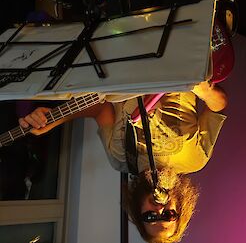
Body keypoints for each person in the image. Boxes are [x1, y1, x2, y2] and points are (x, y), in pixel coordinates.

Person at [18, 80, 227, 243]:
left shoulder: (120, 160)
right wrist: (206, 92)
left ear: (139, 211)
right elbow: (218, 107)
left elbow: (100, 109)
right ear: (180, 209)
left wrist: (54, 119)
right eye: (168, 215)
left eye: (151, 218)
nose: (159, 209)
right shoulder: (196, 160)